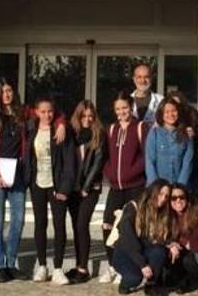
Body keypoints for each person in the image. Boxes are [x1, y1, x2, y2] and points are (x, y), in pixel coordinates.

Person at [0, 77, 29, 283]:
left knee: (18, 219)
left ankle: (11, 262)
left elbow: (50, 112)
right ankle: (0, 265)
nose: (7, 94)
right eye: (3, 91)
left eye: (10, 90)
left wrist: (62, 123)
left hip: (17, 174)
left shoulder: (22, 113)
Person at [99, 92, 151, 284]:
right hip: (115, 186)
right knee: (107, 225)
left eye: (125, 108)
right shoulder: (111, 129)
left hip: (135, 186)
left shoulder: (141, 127)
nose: (122, 112)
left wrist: (133, 172)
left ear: (131, 107)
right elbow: (105, 156)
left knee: (129, 227)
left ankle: (127, 267)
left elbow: (146, 155)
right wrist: (110, 173)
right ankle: (113, 266)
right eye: (118, 109)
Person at [28, 98, 77, 284]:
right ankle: (42, 266)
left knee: (59, 225)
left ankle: (57, 268)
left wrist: (65, 187)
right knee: (40, 224)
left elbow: (69, 163)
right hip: (38, 184)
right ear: (36, 112)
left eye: (50, 111)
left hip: (57, 186)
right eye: (43, 111)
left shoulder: (61, 130)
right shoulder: (32, 130)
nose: (46, 115)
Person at [67, 100, 107, 284]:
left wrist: (85, 187)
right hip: (73, 187)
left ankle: (83, 268)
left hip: (90, 188)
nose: (88, 119)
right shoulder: (73, 134)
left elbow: (97, 164)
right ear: (78, 116)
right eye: (84, 115)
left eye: (91, 116)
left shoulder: (98, 134)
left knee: (82, 224)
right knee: (76, 226)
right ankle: (78, 265)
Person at [111, 179, 175, 294]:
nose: (163, 199)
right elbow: (128, 239)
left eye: (167, 196)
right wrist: (143, 264)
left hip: (146, 250)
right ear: (153, 191)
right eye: (160, 194)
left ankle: (151, 284)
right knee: (134, 278)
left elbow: (159, 238)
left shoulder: (163, 213)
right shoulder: (133, 207)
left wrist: (171, 244)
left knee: (159, 251)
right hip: (126, 251)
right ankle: (125, 284)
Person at [167, 182, 198, 293]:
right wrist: (172, 244)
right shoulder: (169, 215)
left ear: (187, 198)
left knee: (189, 260)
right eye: (174, 198)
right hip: (183, 246)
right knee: (172, 255)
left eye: (181, 197)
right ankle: (185, 282)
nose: (178, 201)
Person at [170, 90, 198, 199]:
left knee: (192, 201)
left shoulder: (192, 116)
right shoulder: (165, 121)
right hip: (173, 168)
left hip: (194, 168)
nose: (175, 110)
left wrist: (194, 135)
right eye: (172, 106)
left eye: (178, 105)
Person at [147, 97, 194, 186]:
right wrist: (155, 186)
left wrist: (180, 186)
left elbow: (187, 162)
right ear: (161, 114)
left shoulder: (186, 133)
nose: (171, 114)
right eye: (167, 112)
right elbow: (150, 161)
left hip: (179, 186)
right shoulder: (154, 133)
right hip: (158, 187)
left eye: (174, 111)